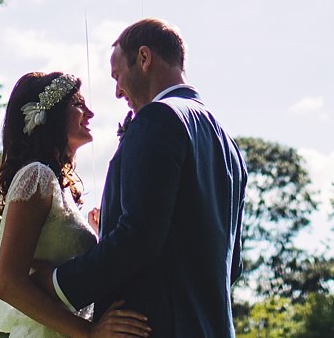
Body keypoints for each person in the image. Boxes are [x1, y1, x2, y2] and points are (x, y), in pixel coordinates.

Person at [43, 18, 248, 338]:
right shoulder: (230, 149)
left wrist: (56, 284)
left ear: (144, 58)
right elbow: (230, 265)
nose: (116, 91)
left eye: (117, 75)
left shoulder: (158, 118)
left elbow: (138, 238)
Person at [0, 70, 152, 338]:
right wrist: (90, 332)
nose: (90, 113)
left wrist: (98, 235)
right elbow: (8, 283)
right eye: (78, 104)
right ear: (48, 115)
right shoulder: (36, 176)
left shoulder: (55, 185)